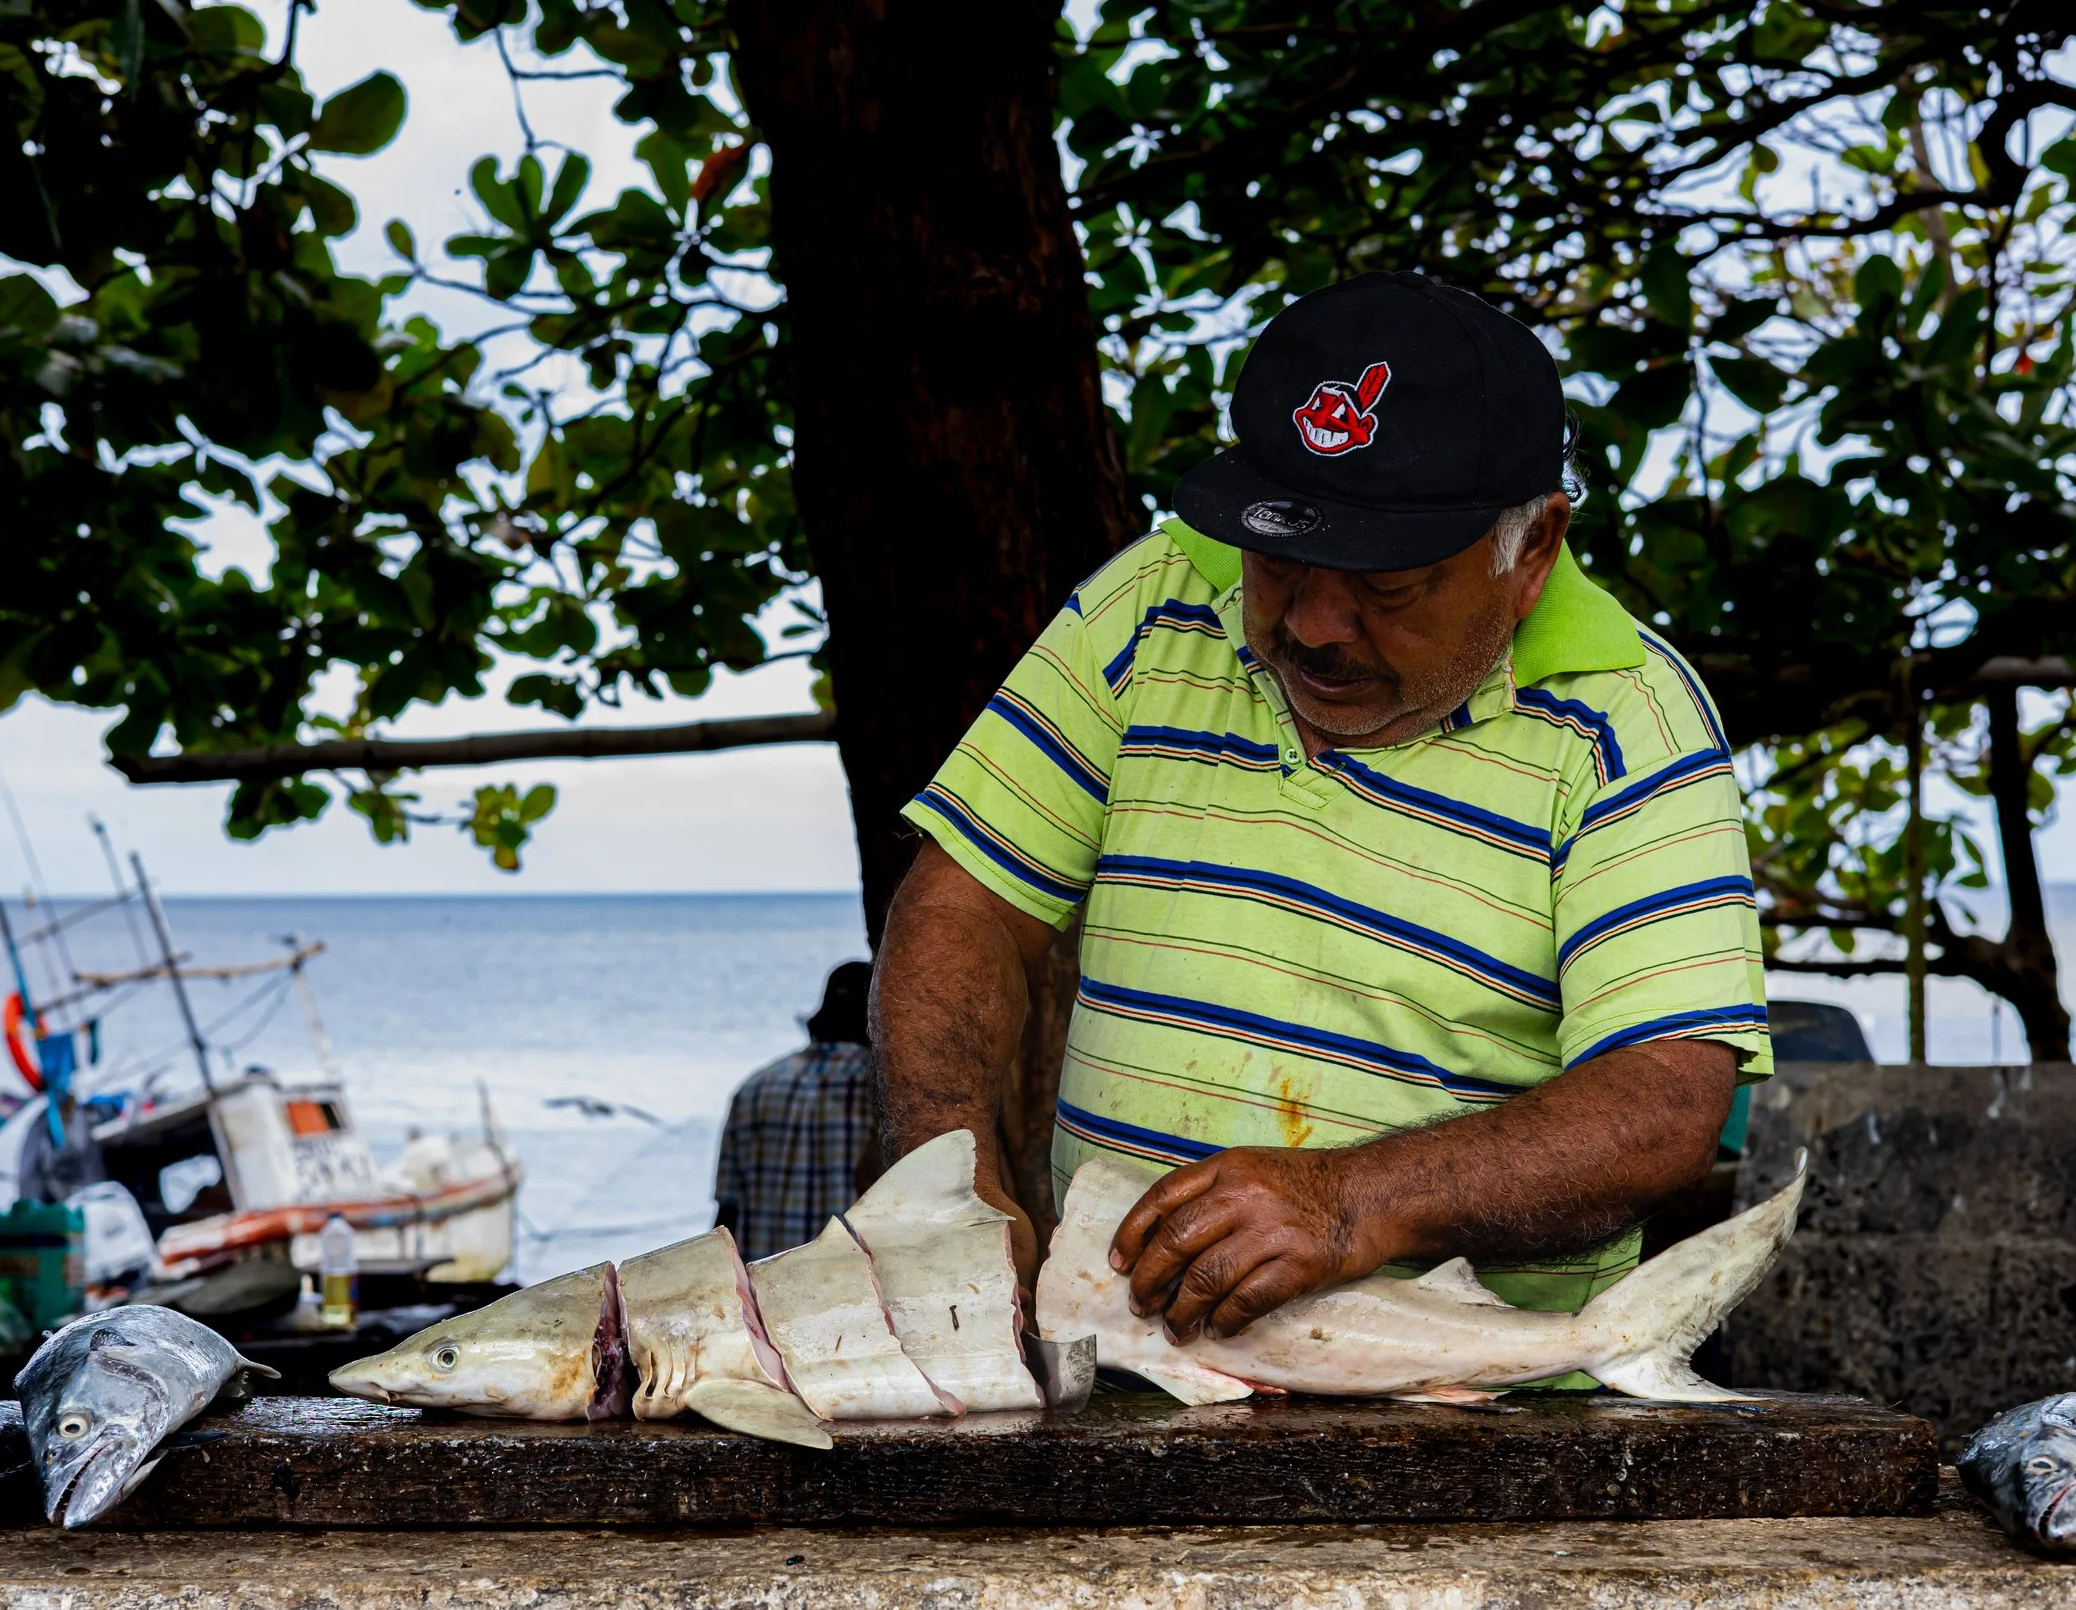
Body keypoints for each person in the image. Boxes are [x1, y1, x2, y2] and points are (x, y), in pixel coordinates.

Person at [874, 271, 1771, 1361]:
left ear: (1530, 549)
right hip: (1122, 1374)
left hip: (1476, 1418)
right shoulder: (1154, 601)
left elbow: (1666, 1101)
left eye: (1385, 584)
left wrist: (1354, 1200)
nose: (1311, 624)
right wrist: (948, 1186)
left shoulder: (1629, 720)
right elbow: (965, 907)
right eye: (1280, 559)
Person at [713, 961, 879, 1259]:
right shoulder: (879, 1090)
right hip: (847, 1280)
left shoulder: (756, 1087)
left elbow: (727, 1214)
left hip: (764, 1286)